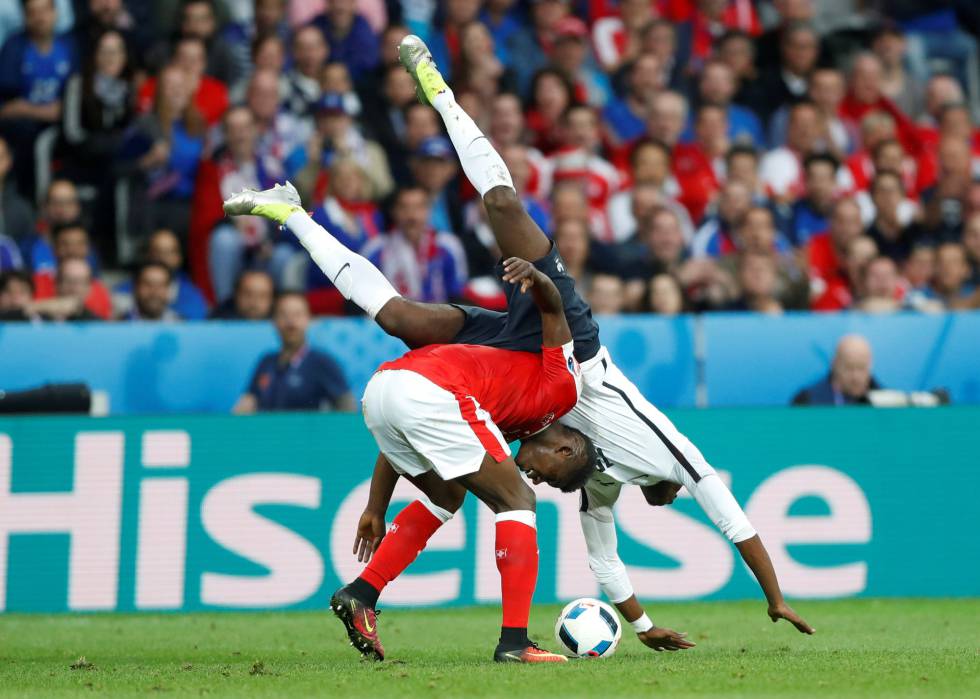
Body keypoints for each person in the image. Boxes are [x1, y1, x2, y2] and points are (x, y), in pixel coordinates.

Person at [230, 35, 814, 654]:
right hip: (564, 336)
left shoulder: (598, 479)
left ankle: (291, 213)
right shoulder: (660, 445)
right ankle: (438, 86)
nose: (557, 482)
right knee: (504, 204)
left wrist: (642, 629)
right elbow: (731, 516)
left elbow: (605, 561)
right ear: (565, 448)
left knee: (401, 323)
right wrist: (773, 596)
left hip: (508, 366)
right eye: (561, 476)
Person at [233, 292, 355, 413]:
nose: (290, 322)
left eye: (297, 315)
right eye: (283, 314)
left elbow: (347, 406)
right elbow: (247, 403)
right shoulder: (266, 362)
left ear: (309, 320)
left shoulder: (323, 362)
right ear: (274, 321)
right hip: (269, 431)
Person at [792, 334, 881, 405]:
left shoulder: (885, 403)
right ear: (834, 364)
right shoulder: (807, 401)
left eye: (861, 368)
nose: (855, 377)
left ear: (870, 365)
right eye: (849, 368)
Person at [209, 268, 274, 320]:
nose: (254, 302)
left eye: (262, 296)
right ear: (236, 295)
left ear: (272, 299)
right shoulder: (217, 323)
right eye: (248, 294)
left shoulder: (280, 324)